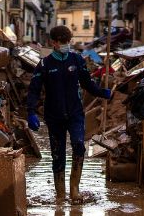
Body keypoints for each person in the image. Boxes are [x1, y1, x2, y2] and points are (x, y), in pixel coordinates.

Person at [26, 25, 112, 200]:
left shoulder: (77, 60)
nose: (66, 45)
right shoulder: (44, 64)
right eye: (62, 42)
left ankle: (74, 189)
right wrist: (31, 112)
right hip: (54, 116)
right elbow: (34, 90)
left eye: (68, 42)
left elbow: (88, 84)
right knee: (58, 154)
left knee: (79, 145)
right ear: (53, 43)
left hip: (75, 113)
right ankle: (60, 193)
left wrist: (102, 92)